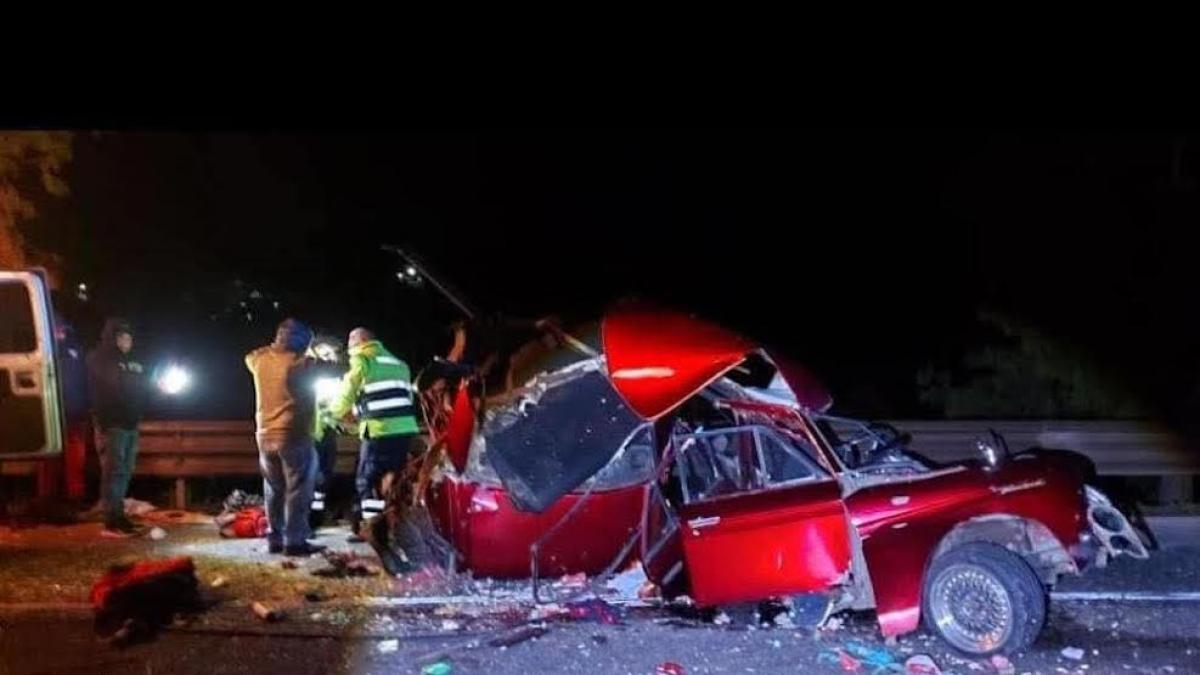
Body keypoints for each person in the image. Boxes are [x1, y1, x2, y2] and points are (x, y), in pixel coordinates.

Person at [328, 327, 431, 572]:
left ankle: (376, 533)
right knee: (390, 486)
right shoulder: (399, 364)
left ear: (362, 341)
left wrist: (332, 412)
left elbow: (344, 397)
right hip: (404, 432)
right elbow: (394, 398)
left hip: (380, 432)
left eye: (351, 342)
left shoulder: (363, 360)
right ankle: (403, 542)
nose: (349, 349)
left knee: (367, 482)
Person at [245, 319, 324, 556]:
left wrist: (275, 346)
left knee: (273, 488)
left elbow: (251, 355)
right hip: (293, 433)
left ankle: (275, 538)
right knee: (298, 489)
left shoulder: (258, 360)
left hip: (264, 433)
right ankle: (295, 541)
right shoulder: (301, 362)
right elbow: (329, 366)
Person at [86, 318, 148, 538]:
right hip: (112, 424)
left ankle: (119, 516)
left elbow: (142, 388)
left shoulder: (133, 361)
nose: (127, 341)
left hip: (130, 423)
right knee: (114, 471)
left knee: (125, 471)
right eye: (122, 337)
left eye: (129, 337)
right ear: (113, 338)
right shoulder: (100, 359)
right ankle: (111, 521)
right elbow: (109, 390)